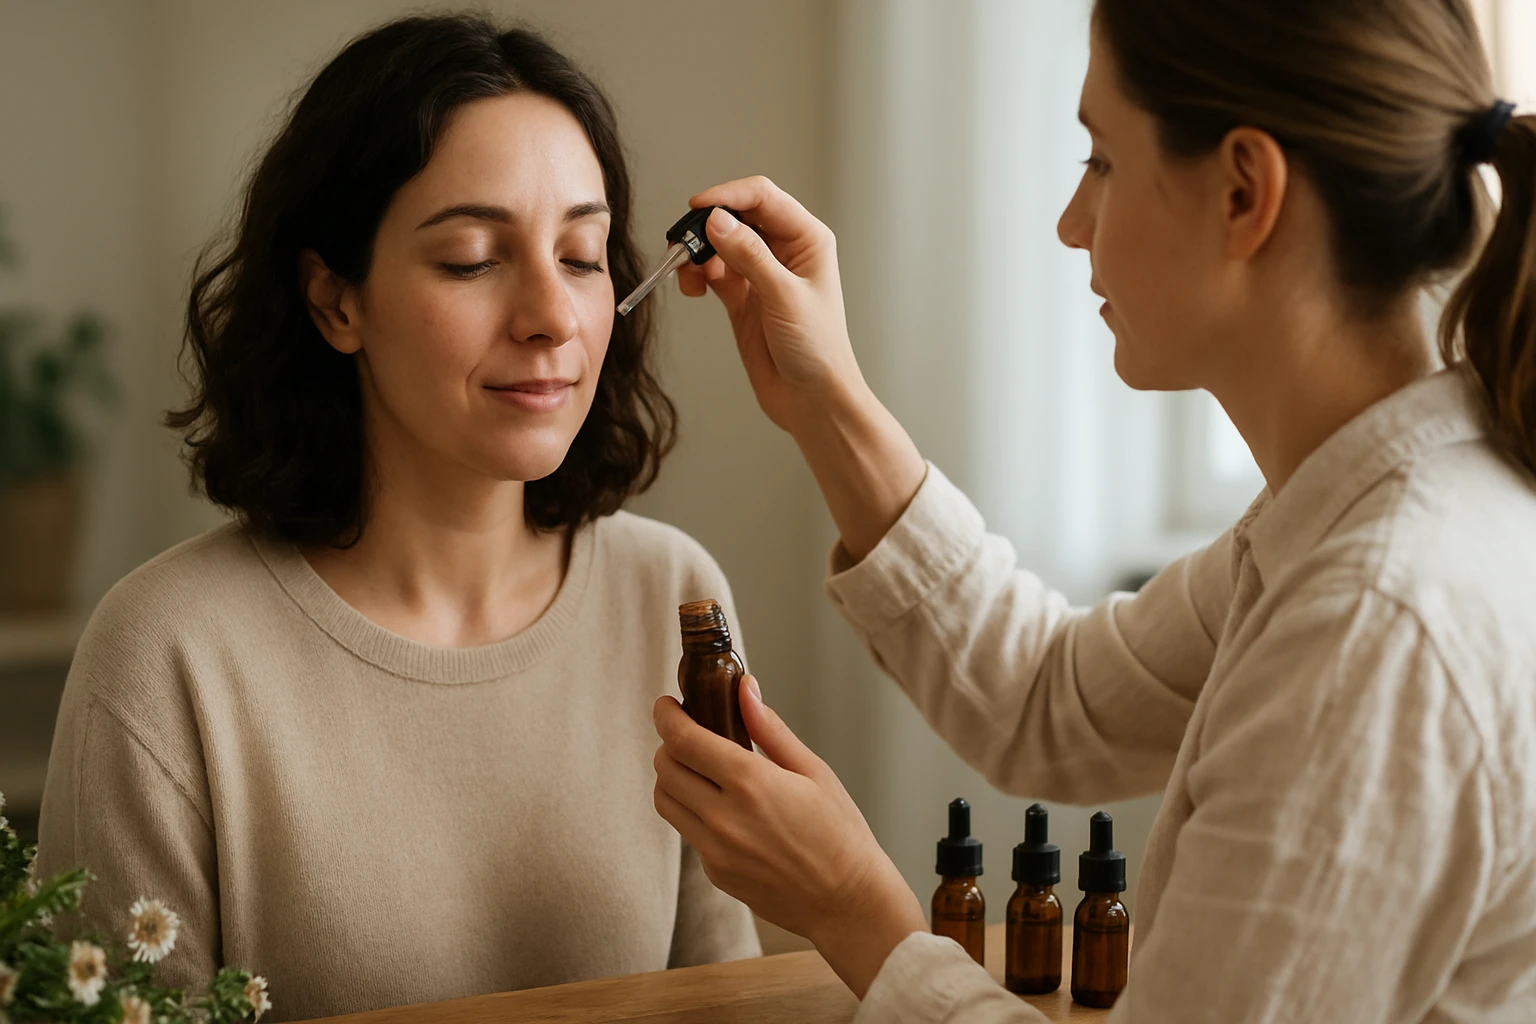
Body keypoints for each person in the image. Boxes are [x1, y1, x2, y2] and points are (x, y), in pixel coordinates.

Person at [652, 0, 1536, 1020]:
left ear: (1245, 191)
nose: (1072, 222)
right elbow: (1047, 699)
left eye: (1102, 160)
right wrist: (826, 400)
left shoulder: (1376, 626)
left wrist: (852, 903)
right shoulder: (1360, 509)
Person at [38, 15, 759, 1022]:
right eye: (471, 258)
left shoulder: (672, 594)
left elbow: (723, 999)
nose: (552, 315)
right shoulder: (166, 653)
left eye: (585, 254)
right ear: (334, 299)